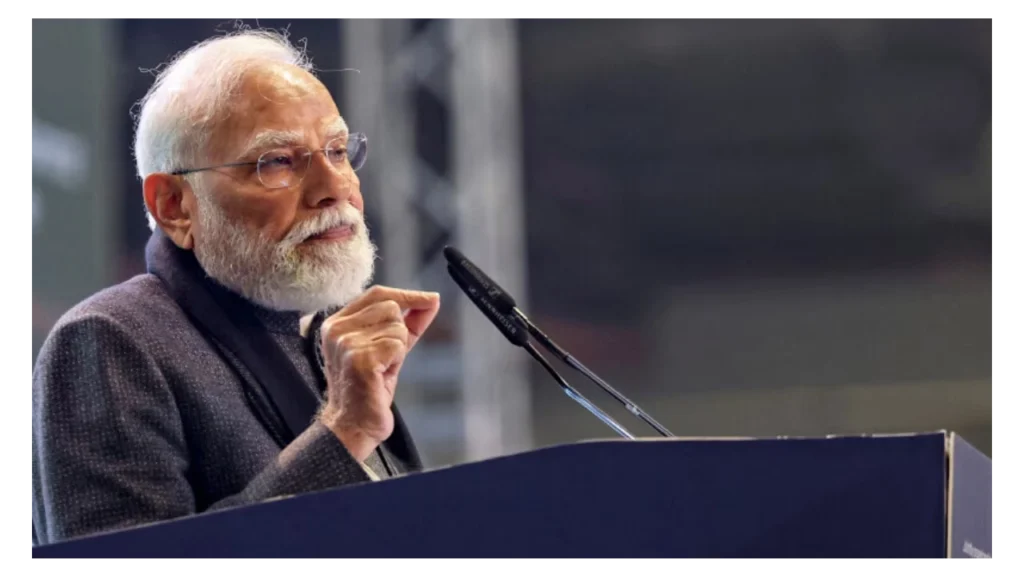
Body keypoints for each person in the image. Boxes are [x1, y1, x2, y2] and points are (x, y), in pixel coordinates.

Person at [29, 29, 441, 546]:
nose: (335, 188)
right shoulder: (109, 339)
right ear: (174, 205)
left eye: (337, 151)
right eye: (278, 161)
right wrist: (343, 431)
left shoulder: (323, 332)